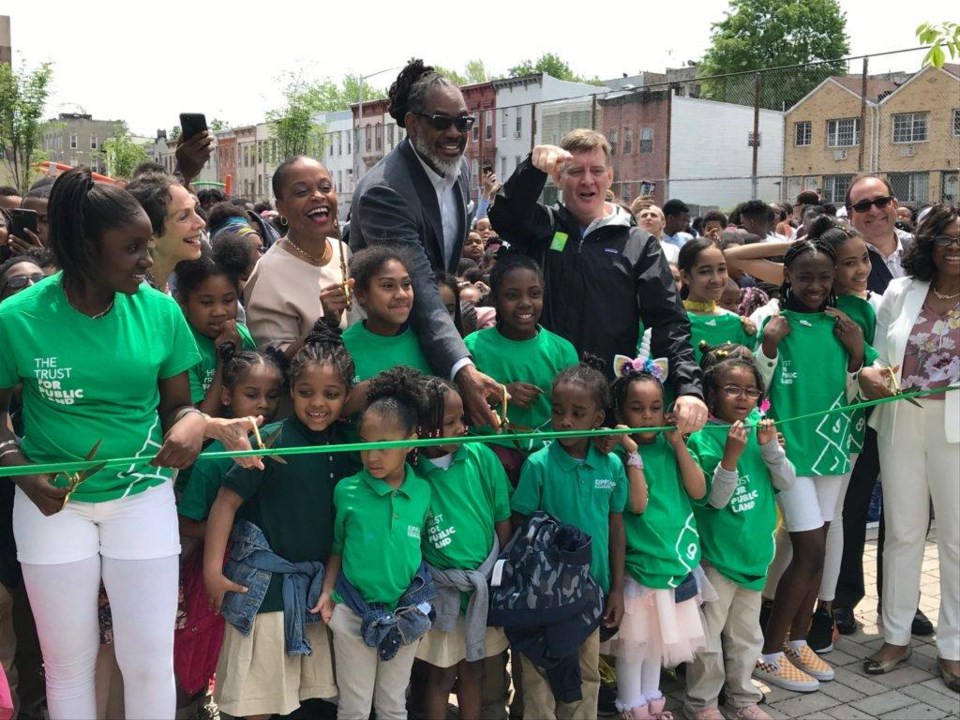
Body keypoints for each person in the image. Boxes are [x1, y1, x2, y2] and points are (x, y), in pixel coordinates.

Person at [0, 168, 261, 720]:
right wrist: (19, 468)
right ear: (84, 249)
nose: (148, 261)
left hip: (142, 496)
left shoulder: (159, 310)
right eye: (133, 249)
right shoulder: (18, 317)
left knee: (147, 661)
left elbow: (176, 406)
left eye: (148, 246)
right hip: (53, 505)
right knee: (68, 667)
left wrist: (191, 423)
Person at [489, 132, 707, 434]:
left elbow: (668, 321)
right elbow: (505, 217)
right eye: (575, 171)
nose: (586, 180)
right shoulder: (541, 227)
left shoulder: (638, 244)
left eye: (596, 171)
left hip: (607, 402)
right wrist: (531, 169)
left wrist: (689, 389)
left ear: (610, 177)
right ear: (558, 178)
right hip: (542, 399)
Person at [203, 325, 356, 718]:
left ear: (347, 396)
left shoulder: (353, 444)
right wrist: (212, 572)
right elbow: (225, 503)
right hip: (265, 595)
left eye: (332, 394)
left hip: (316, 596)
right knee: (257, 704)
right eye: (306, 393)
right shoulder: (269, 439)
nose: (317, 403)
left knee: (308, 701)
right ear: (292, 392)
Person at [350, 60, 503, 429]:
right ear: (413, 123)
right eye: (441, 121)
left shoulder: (459, 167)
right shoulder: (385, 191)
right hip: (392, 346)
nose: (455, 132)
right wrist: (462, 369)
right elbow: (417, 282)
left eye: (464, 122)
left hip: (438, 338)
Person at [752, 240, 865, 693]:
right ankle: (768, 652)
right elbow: (752, 386)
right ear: (788, 278)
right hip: (790, 455)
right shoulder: (772, 323)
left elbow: (859, 390)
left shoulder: (842, 325)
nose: (815, 285)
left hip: (833, 451)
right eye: (805, 276)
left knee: (815, 554)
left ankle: (798, 642)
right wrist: (769, 346)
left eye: (823, 276)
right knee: (810, 551)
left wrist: (857, 353)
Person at [863, 204, 959, 693]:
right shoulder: (902, 291)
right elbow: (877, 354)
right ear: (929, 244)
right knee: (901, 532)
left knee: (956, 541)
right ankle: (895, 636)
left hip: (957, 432)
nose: (955, 248)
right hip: (903, 421)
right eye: (946, 239)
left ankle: (954, 647)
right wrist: (870, 373)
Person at [832, 173, 934, 637]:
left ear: (895, 204)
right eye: (861, 206)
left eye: (880, 202)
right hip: (861, 403)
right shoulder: (843, 256)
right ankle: (843, 600)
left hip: (920, 405)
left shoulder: (925, 252)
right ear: (849, 213)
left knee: (907, 512)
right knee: (854, 509)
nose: (872, 211)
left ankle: (901, 604)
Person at [511, 357, 627, 720]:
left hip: (590, 594)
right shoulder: (539, 465)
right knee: (537, 675)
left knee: (586, 674)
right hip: (541, 595)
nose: (565, 420)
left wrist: (617, 589)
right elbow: (520, 524)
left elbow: (616, 525)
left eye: (578, 413)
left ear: (597, 419)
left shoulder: (612, 466)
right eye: (559, 411)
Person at [316, 367, 435, 720]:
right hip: (353, 613)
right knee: (353, 706)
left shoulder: (423, 492)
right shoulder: (348, 491)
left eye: (385, 446)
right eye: (367, 445)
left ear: (412, 440)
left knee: (393, 704)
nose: (373, 457)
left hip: (404, 615)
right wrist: (327, 594)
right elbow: (338, 546)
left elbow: (420, 552)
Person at [684, 355, 795, 720]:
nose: (743, 397)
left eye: (751, 391)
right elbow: (715, 500)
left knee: (747, 635)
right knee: (708, 636)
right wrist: (730, 457)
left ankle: (743, 697)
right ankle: (702, 703)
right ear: (711, 395)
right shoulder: (701, 439)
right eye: (732, 389)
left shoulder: (760, 430)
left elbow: (786, 481)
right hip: (717, 557)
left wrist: (771, 449)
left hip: (755, 552)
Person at [605, 358, 708, 720]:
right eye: (637, 408)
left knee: (658, 642)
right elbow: (637, 503)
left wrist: (678, 443)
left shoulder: (672, 446)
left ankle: (652, 700)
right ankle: (632, 707)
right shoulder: (619, 453)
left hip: (674, 558)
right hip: (640, 562)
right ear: (619, 412)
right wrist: (632, 454)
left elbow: (698, 490)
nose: (647, 416)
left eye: (654, 407)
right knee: (634, 645)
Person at [414, 377, 513, 720]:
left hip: (484, 588)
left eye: (462, 420)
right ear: (423, 430)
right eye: (450, 423)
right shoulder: (413, 475)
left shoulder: (481, 457)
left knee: (477, 670)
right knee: (440, 676)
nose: (461, 428)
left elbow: (502, 516)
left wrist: (497, 570)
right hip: (443, 594)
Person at [463, 256, 579, 483]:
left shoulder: (563, 350)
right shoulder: (472, 346)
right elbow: (461, 408)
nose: (525, 303)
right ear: (494, 299)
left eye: (534, 294)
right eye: (512, 295)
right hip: (492, 457)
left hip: (550, 459)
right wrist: (501, 393)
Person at [244, 156, 355, 358]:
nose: (318, 196)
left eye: (325, 187)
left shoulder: (343, 251)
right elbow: (273, 363)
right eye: (302, 192)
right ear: (282, 207)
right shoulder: (269, 273)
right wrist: (325, 324)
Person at [177, 346, 285, 538]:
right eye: (251, 395)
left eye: (273, 396)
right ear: (226, 396)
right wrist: (236, 534)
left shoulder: (286, 441)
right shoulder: (212, 460)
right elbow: (184, 525)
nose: (264, 404)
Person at [341, 246, 433, 399]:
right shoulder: (343, 347)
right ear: (361, 294)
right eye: (387, 286)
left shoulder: (428, 338)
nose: (401, 294)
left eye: (406, 284)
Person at [174, 252, 258, 415]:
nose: (219, 312)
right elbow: (202, 421)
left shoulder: (242, 335)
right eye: (206, 303)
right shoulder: (182, 345)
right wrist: (225, 357)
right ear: (183, 302)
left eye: (228, 301)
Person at [677, 239, 756, 363]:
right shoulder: (672, 322)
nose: (716, 279)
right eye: (705, 271)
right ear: (685, 276)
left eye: (721, 269)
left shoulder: (739, 325)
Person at [125, 171, 205, 294]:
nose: (201, 223)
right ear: (150, 236)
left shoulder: (162, 287)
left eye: (195, 210)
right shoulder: (135, 297)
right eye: (183, 217)